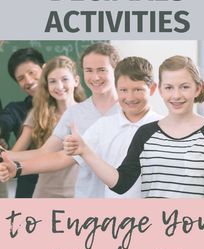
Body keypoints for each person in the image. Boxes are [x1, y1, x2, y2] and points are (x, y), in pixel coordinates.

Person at [61, 55, 204, 198]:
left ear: (197, 88)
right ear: (161, 91)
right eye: (169, 87)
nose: (176, 95)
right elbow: (121, 183)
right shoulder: (146, 133)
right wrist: (85, 150)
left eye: (184, 87)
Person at [0, 42, 120, 195]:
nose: (95, 77)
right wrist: (13, 164)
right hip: (66, 194)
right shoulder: (73, 114)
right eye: (89, 70)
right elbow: (54, 155)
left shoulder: (127, 111)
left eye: (101, 70)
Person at [66, 56, 162, 197]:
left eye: (137, 90)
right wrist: (80, 149)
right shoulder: (103, 125)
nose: (130, 97)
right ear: (116, 89)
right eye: (123, 90)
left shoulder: (164, 127)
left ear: (152, 88)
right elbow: (67, 157)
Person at [11, 55, 86, 197]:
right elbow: (17, 152)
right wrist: (4, 155)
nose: (59, 86)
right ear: (47, 85)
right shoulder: (37, 114)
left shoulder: (89, 114)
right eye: (52, 81)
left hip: (80, 193)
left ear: (76, 81)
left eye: (64, 79)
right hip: (45, 193)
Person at [0, 48, 44, 197]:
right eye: (21, 78)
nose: (29, 81)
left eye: (32, 72)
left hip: (66, 187)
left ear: (45, 69)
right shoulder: (15, 109)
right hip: (28, 188)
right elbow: (4, 122)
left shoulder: (69, 107)